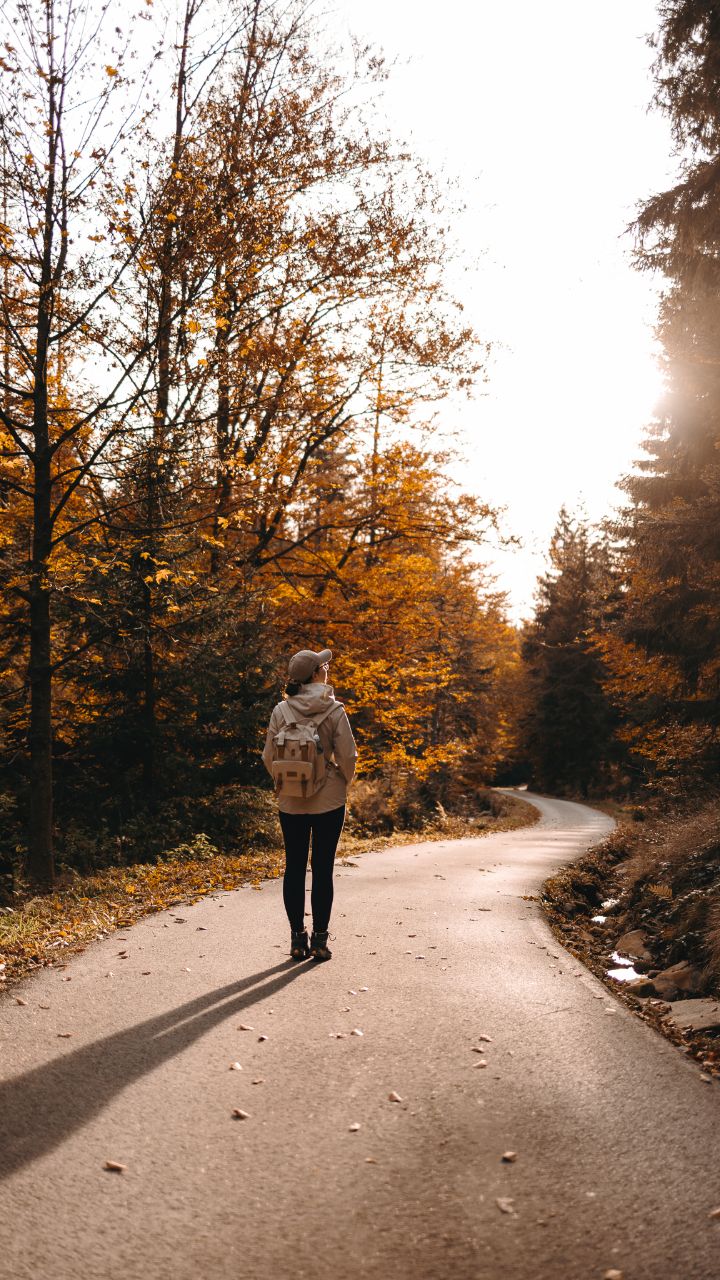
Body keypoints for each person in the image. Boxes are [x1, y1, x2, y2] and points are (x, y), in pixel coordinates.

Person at [262, 648, 357, 962]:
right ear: (316, 674)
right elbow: (348, 756)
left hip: (290, 800)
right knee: (323, 868)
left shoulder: (281, 710)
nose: (327, 667)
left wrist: (287, 781)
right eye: (324, 665)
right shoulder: (334, 710)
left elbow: (267, 756)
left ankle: (296, 939)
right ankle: (319, 940)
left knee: (294, 867)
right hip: (329, 799)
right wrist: (342, 780)